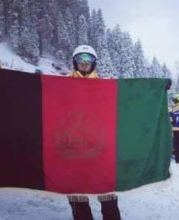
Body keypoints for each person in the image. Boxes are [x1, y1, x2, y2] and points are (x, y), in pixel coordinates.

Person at [67, 45, 121, 220]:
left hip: (98, 144)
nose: (84, 63)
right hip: (72, 145)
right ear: (75, 61)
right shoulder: (62, 84)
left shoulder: (104, 85)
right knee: (77, 193)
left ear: (94, 62)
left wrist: (158, 89)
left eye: (88, 59)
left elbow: (125, 102)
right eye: (80, 59)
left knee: (107, 192)